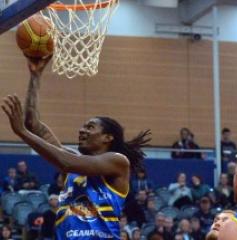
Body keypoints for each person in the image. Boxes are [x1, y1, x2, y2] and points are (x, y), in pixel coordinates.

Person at [1, 57, 151, 239]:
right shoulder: (72, 161)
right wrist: (35, 76)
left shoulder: (117, 161)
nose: (82, 130)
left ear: (108, 137)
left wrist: (22, 133)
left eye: (90, 127)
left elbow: (65, 162)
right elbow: (34, 124)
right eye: (82, 126)